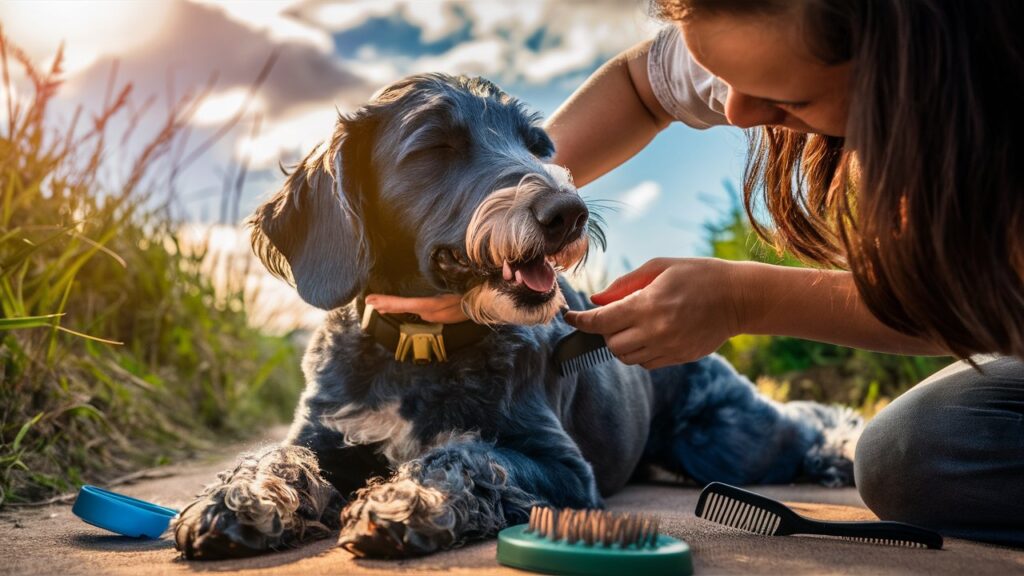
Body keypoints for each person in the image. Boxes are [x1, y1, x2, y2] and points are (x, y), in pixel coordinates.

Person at [365, 0, 1024, 546]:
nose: (733, 111)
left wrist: (746, 299)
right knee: (912, 449)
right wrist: (515, 218)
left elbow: (989, 307)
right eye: (715, 72)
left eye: (782, 99)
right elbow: (642, 87)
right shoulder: (775, 28)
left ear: (909, 66)